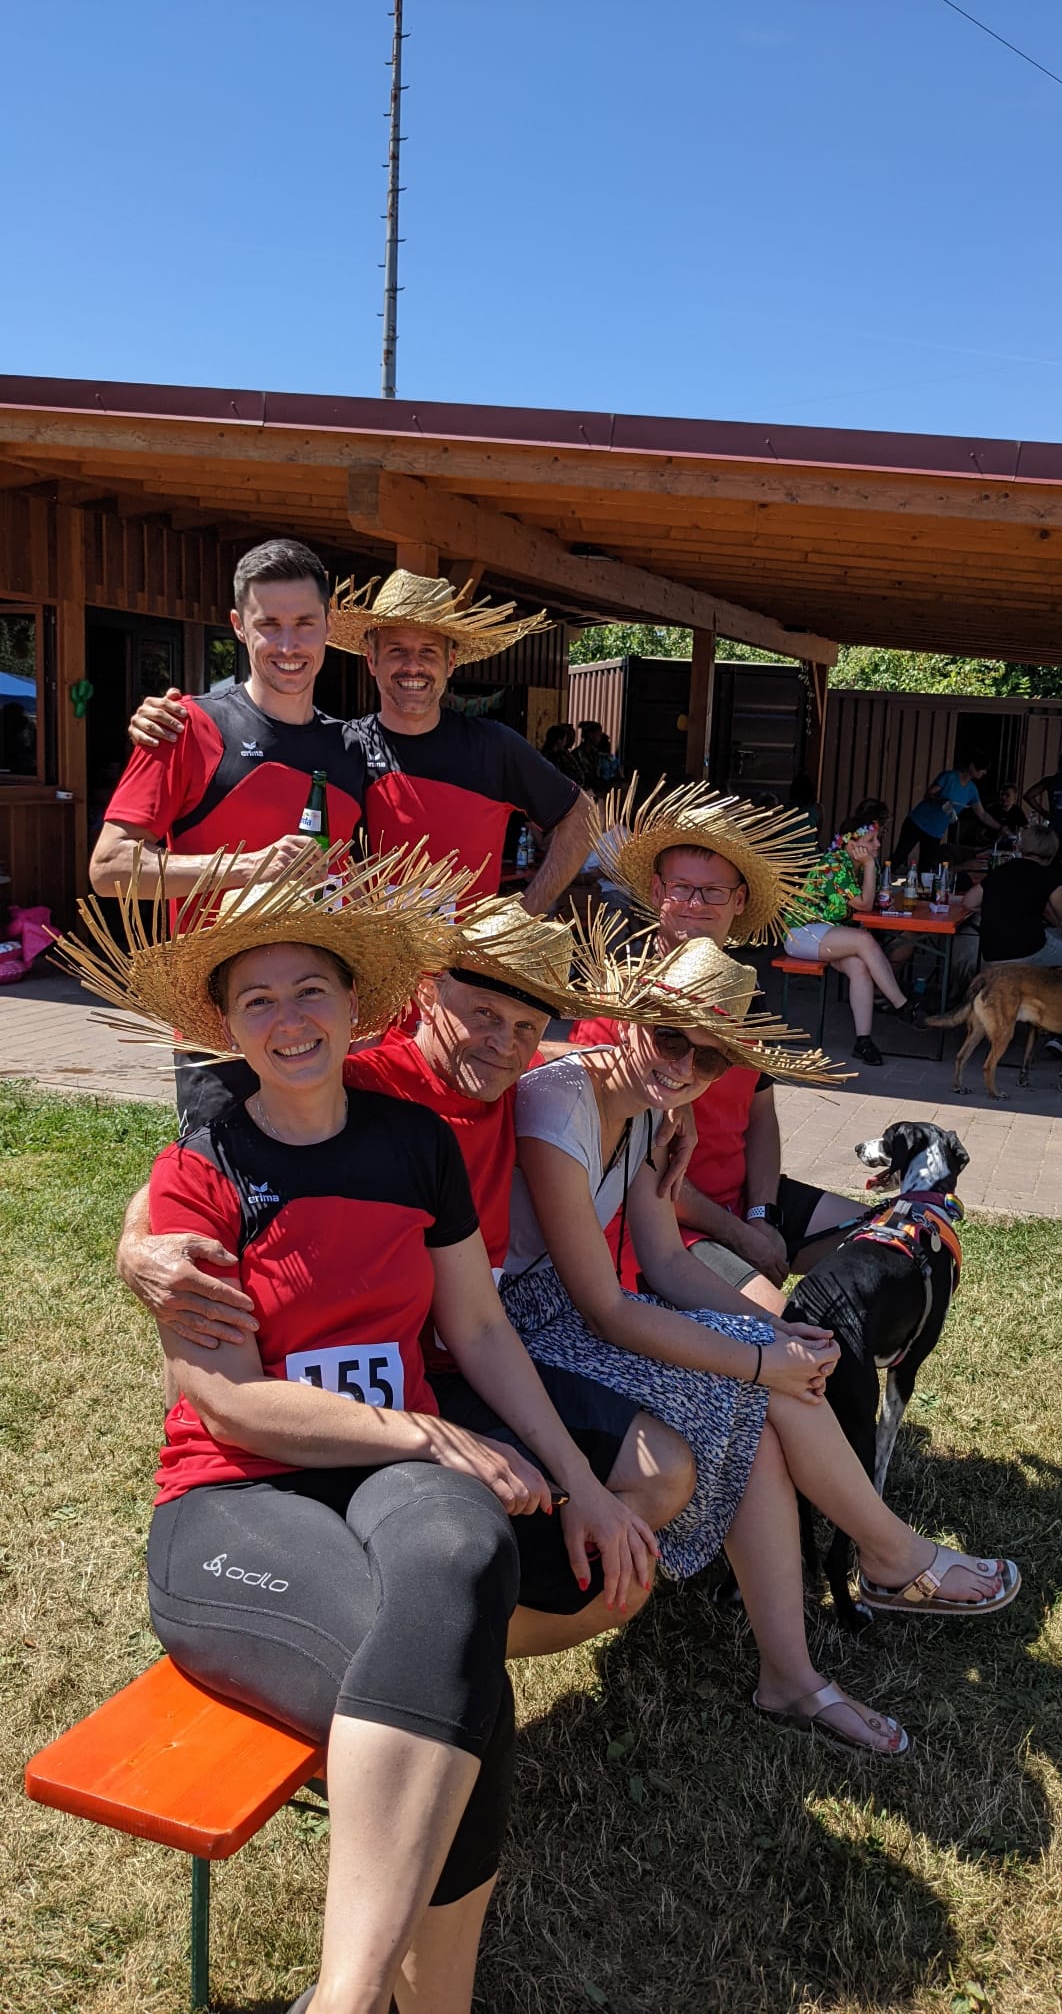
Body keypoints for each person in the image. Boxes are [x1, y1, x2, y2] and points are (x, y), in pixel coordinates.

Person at [57, 855, 655, 2014]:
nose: (289, 1019)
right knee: (464, 1694)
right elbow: (230, 1404)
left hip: (381, 1470)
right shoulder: (199, 1169)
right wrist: (419, 1433)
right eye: (258, 999)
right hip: (234, 1499)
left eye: (310, 991)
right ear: (228, 1025)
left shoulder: (414, 1144)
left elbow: (478, 1329)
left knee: (467, 1553)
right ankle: (369, 1997)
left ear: (352, 1004)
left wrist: (580, 1481)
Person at [116, 898, 696, 1663]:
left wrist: (673, 1109)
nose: (503, 1042)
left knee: (659, 1479)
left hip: (447, 1366)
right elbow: (210, 1163)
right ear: (427, 993)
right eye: (482, 1014)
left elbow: (482, 1324)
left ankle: (452, 1629)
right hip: (344, 1400)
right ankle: (426, 1635)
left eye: (526, 1027)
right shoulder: (350, 1079)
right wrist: (135, 1243)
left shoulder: (516, 1085)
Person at [505, 934, 1022, 1757]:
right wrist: (759, 1358)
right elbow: (604, 1308)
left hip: (574, 1313)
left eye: (709, 1058)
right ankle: (890, 1560)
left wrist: (774, 1334)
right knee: (765, 1389)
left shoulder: (648, 1108)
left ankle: (796, 1670)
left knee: (772, 1398)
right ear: (631, 1017)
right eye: (668, 1036)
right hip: (522, 1330)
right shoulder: (560, 1103)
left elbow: (667, 1263)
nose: (683, 1065)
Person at [92, 539, 372, 1129]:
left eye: (305, 623)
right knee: (221, 1183)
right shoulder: (186, 727)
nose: (289, 645)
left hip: (319, 1029)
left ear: (329, 626)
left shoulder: (351, 748)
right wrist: (248, 867)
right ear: (239, 627)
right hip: (215, 1029)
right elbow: (111, 867)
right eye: (269, 625)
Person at [125, 563, 595, 914]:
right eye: (397, 651)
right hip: (364, 993)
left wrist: (524, 914)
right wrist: (166, 718)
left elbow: (580, 815)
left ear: (451, 663)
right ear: (371, 660)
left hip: (461, 992)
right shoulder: (343, 747)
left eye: (428, 652)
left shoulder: (495, 747)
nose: (412, 666)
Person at [570, 780, 869, 1302]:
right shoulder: (618, 998)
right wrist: (742, 1236)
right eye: (681, 888)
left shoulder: (745, 994)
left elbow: (760, 1116)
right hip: (662, 1225)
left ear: (739, 900)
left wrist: (762, 1214)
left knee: (893, 1244)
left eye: (713, 891)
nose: (695, 904)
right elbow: (639, 1170)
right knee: (783, 1327)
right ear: (657, 893)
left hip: (742, 1206)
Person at [782, 809, 919, 1067]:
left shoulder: (865, 866)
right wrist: (869, 865)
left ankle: (863, 1041)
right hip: (802, 933)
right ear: (851, 844)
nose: (877, 845)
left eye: (877, 839)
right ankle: (901, 1005)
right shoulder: (833, 863)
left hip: (832, 935)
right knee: (863, 940)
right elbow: (864, 904)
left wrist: (871, 870)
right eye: (870, 841)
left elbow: (874, 901)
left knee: (859, 967)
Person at [959, 824, 1062, 972]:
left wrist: (998, 907)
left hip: (992, 954)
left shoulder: (1001, 870)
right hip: (1029, 951)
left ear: (1021, 847)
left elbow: (968, 902)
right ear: (1053, 853)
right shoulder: (1049, 877)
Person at [893, 752, 1002, 875]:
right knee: (899, 856)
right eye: (982, 768)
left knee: (926, 869)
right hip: (917, 822)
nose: (984, 772)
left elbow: (982, 814)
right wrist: (941, 801)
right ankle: (881, 880)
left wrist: (1000, 827)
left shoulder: (972, 790)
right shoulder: (949, 777)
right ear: (972, 766)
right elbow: (929, 794)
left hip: (935, 832)